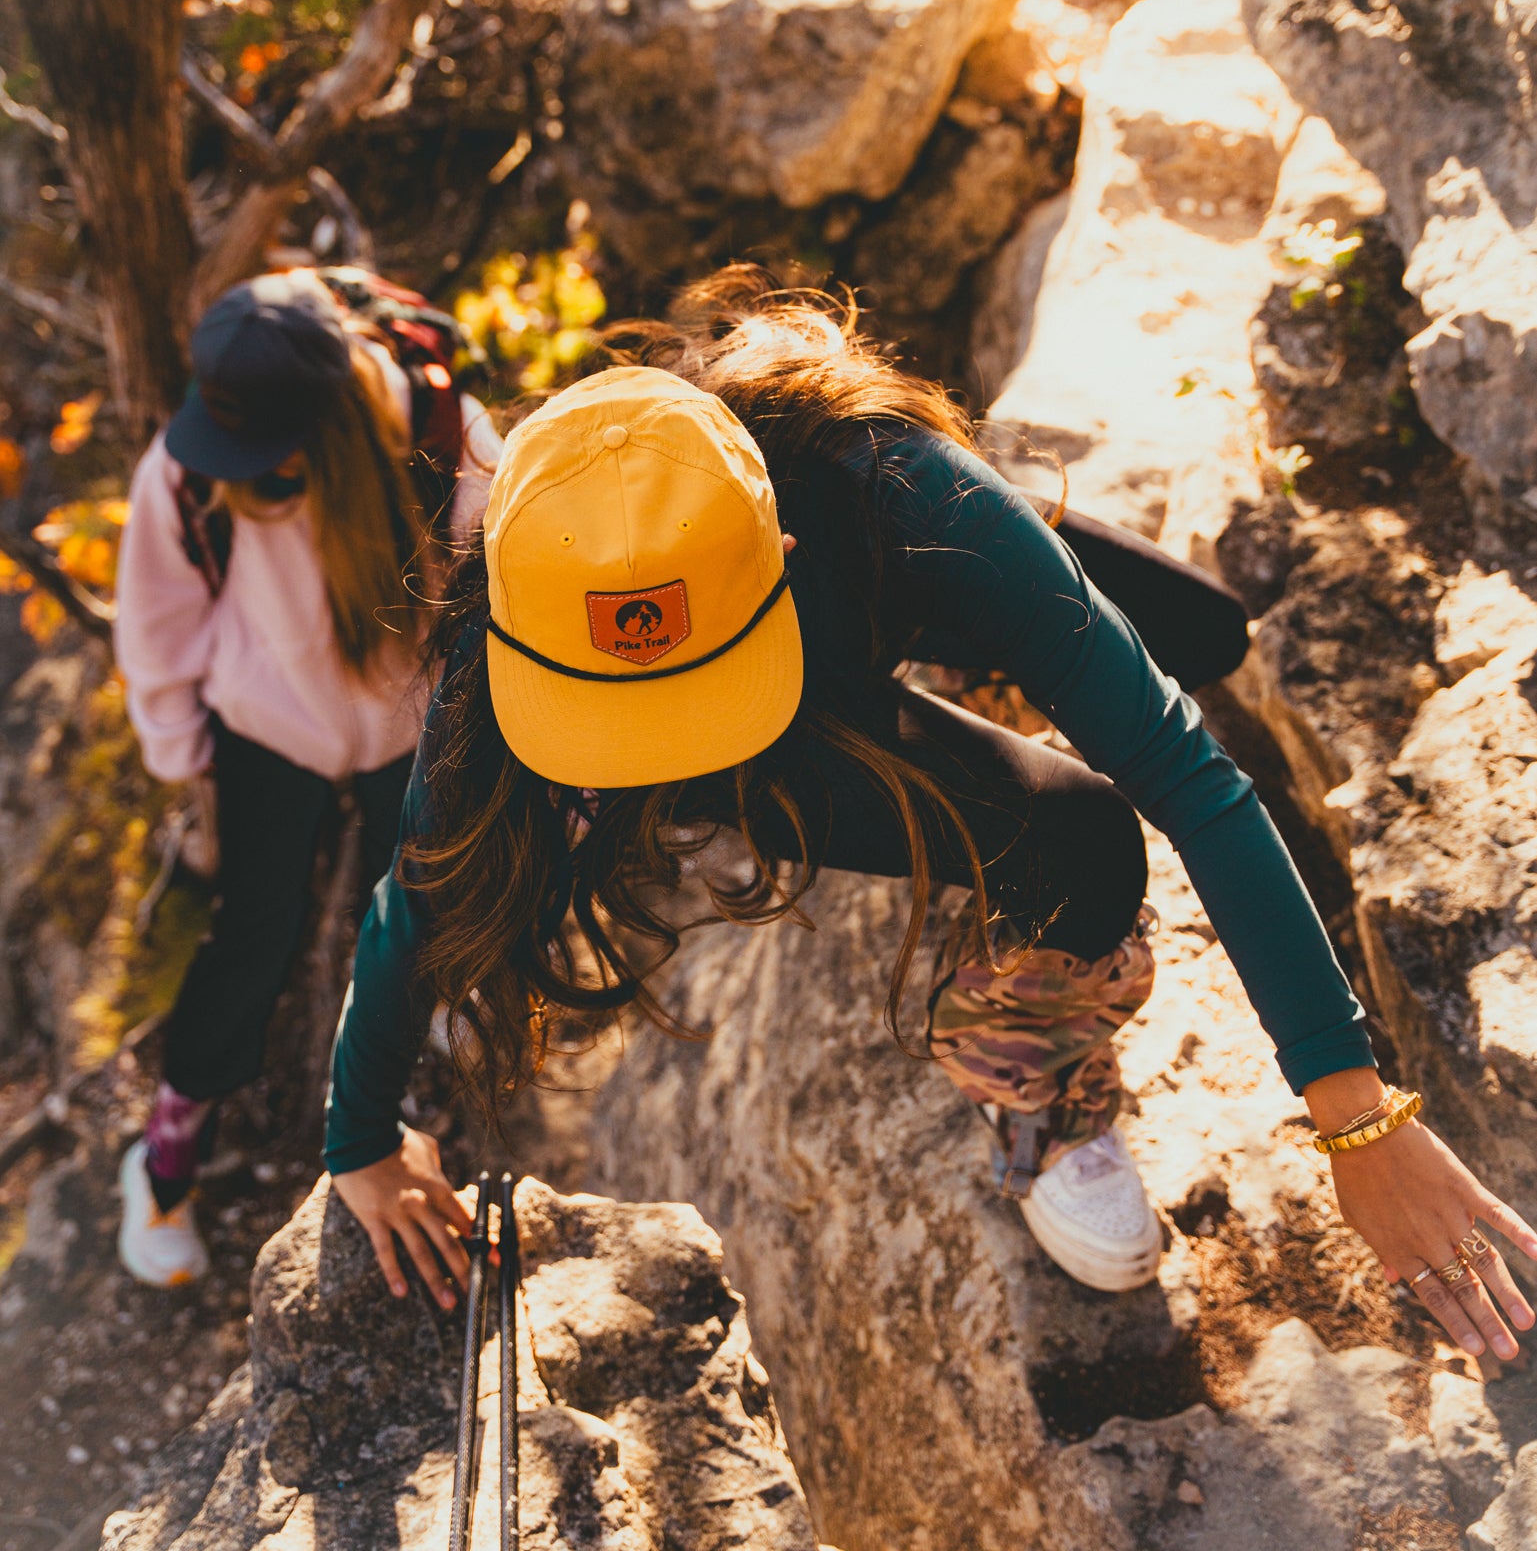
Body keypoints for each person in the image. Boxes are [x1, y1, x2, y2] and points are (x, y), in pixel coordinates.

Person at [327, 272, 1536, 1355]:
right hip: (794, 696)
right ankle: (1037, 1089)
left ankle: (947, 636)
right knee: (1082, 837)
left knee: (1205, 630)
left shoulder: (901, 490)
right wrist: (361, 1143)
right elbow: (423, 891)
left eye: (685, 701)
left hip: (856, 586)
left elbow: (1196, 777)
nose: (659, 743)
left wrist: (1360, 1120)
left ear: (781, 546)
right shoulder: (522, 610)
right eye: (620, 720)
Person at [114, 269, 502, 1287]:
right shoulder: (189, 470)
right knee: (255, 931)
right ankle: (167, 1143)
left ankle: (403, 1080)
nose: (242, 465)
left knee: (408, 911)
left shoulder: (444, 433)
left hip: (408, 731)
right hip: (264, 728)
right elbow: (158, 620)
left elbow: (489, 607)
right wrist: (182, 753)